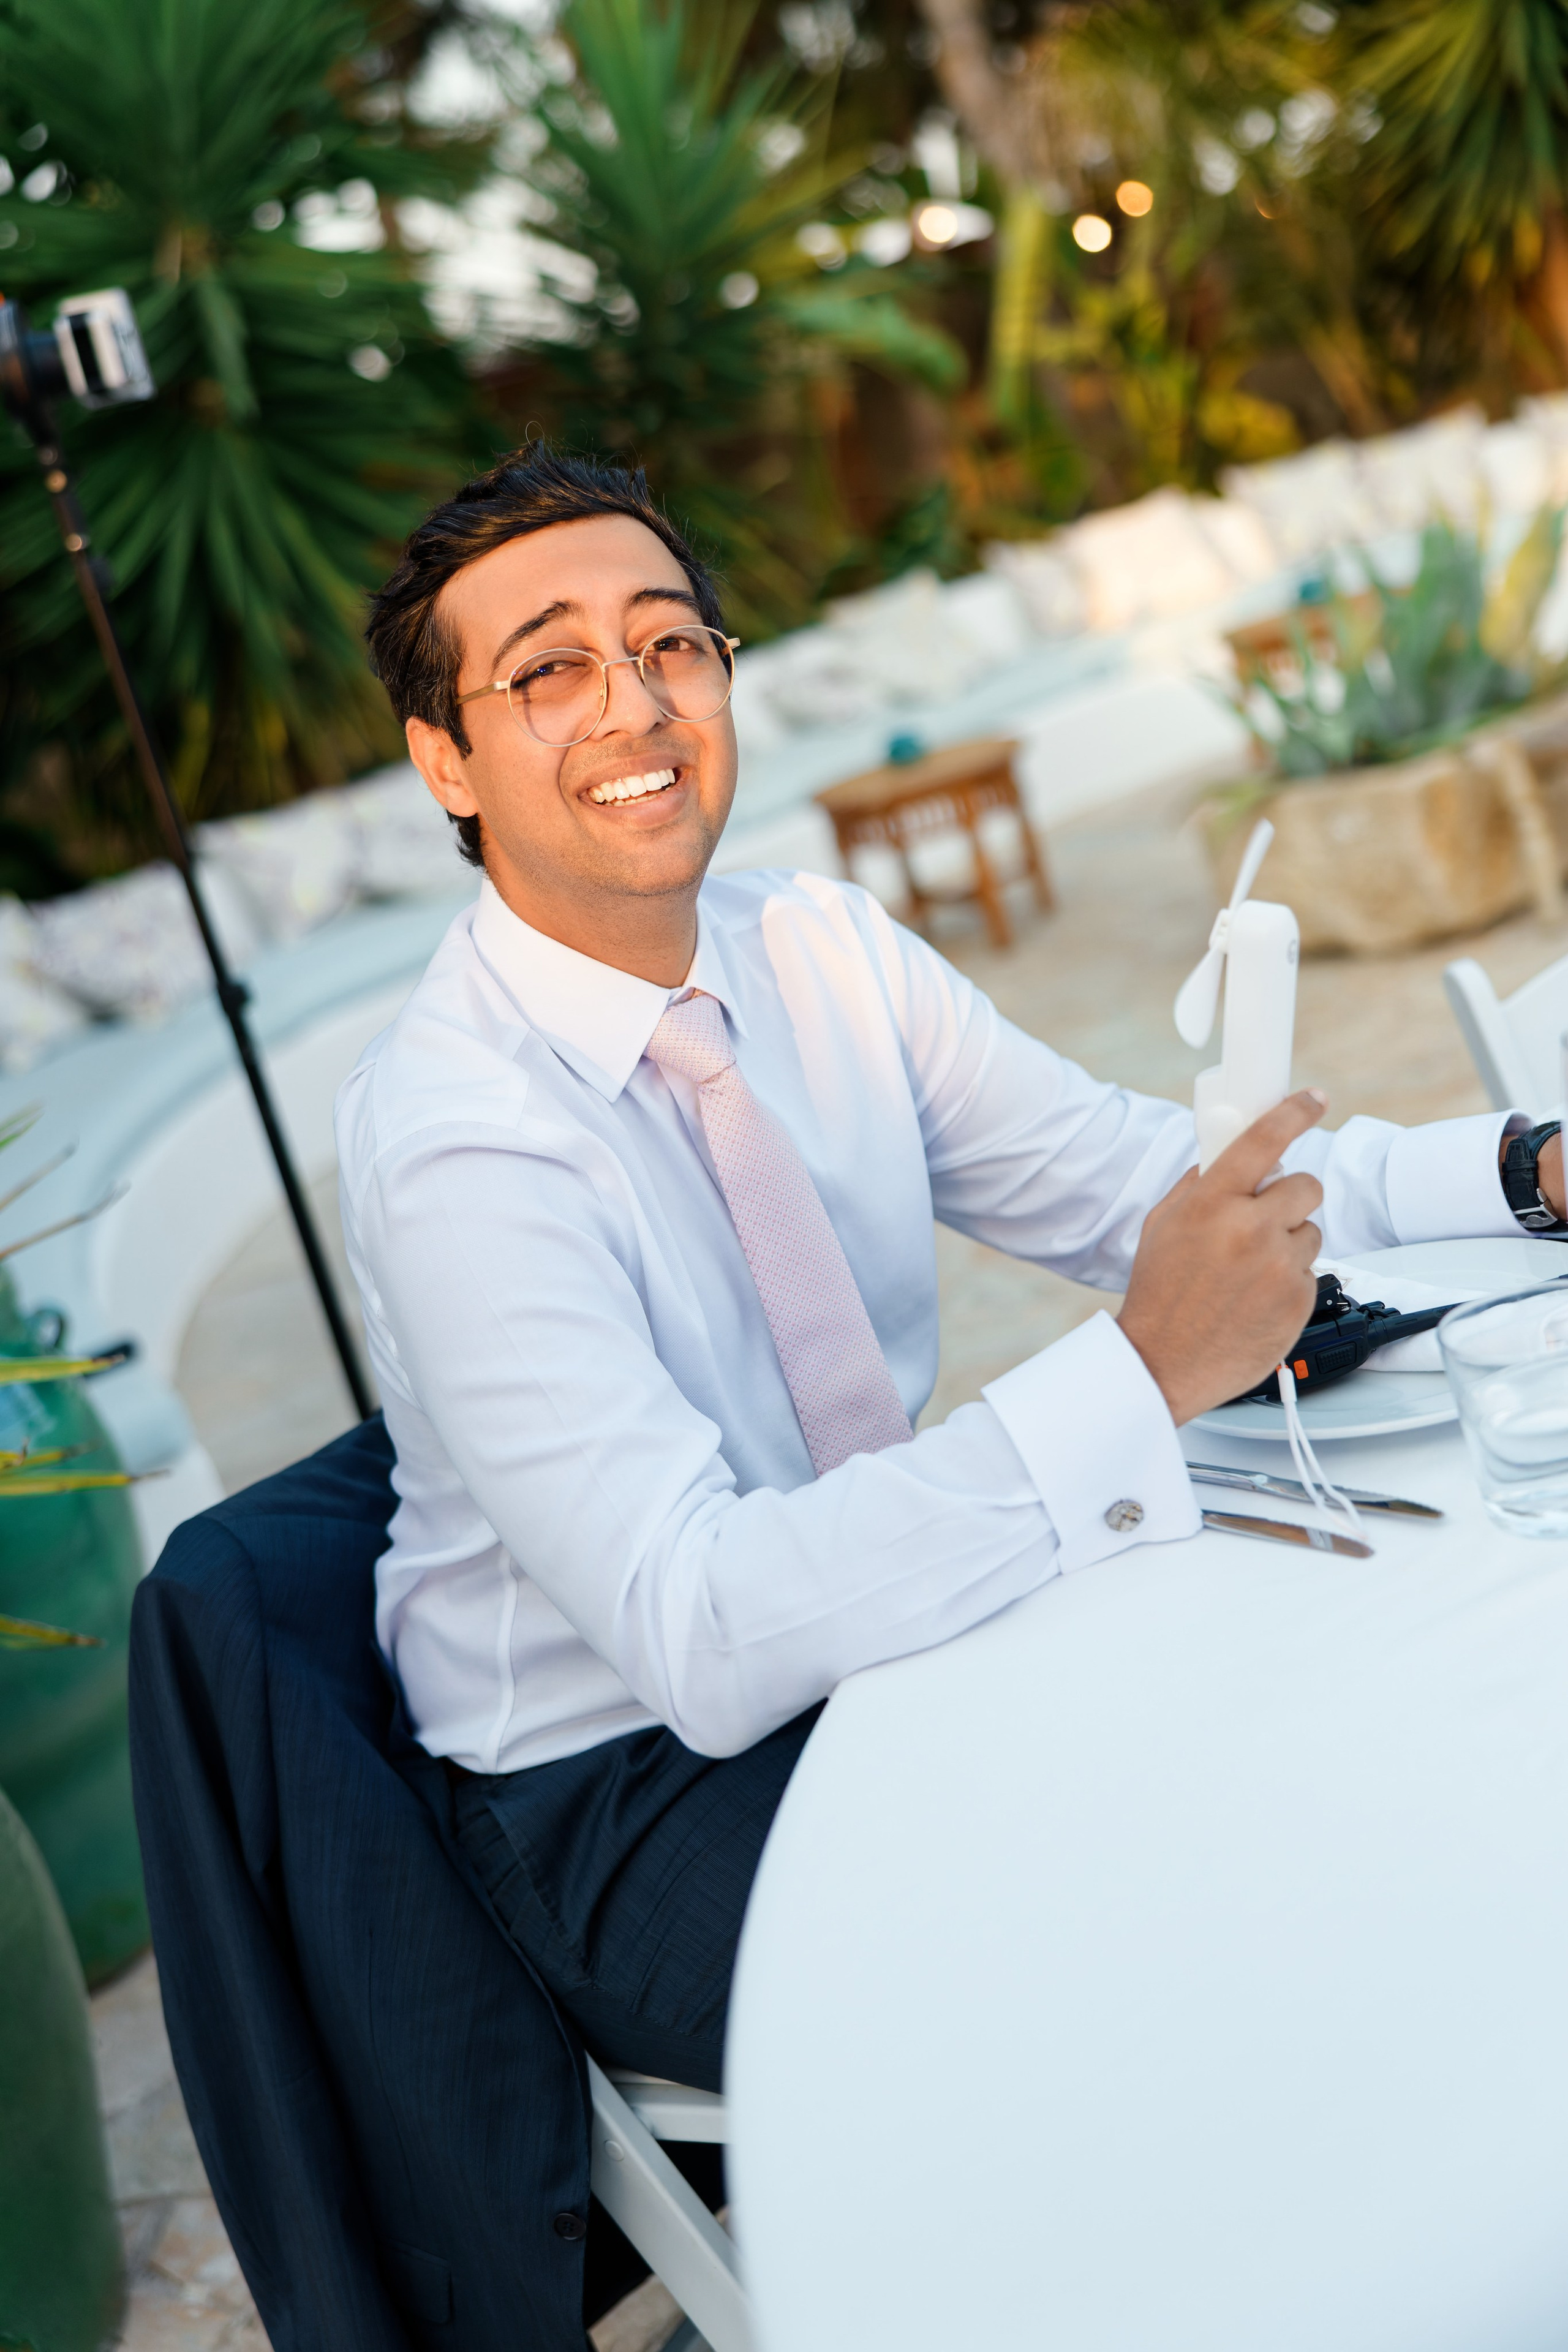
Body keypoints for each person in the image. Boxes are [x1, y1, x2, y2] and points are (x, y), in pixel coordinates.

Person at [344, 444, 1562, 2098]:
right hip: (632, 1786)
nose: (631, 704)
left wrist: (1520, 1169)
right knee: (1148, 1991)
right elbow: (701, 1633)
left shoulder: (821, 951)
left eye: (670, 643)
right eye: (549, 669)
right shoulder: (456, 1141)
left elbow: (1158, 1188)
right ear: (447, 761)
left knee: (1346, 1740)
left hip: (885, 1625)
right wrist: (1139, 1374)